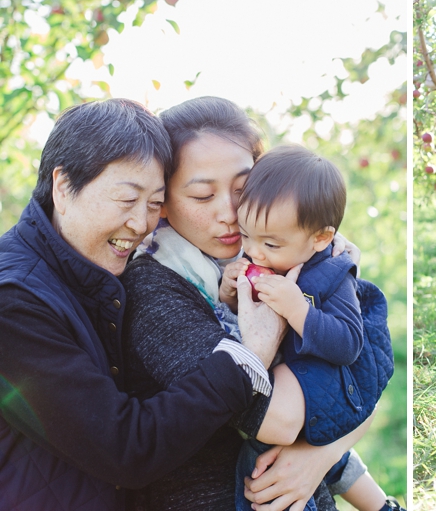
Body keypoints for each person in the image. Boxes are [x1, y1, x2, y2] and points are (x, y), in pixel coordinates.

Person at [0, 99, 286, 510]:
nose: (140, 224)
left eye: (153, 204)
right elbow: (124, 449)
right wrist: (250, 357)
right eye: (126, 199)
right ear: (63, 187)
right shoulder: (14, 301)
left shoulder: (97, 271)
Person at [119, 97, 391, 511]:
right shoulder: (156, 288)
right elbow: (282, 418)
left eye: (243, 190)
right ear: (164, 202)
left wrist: (317, 457)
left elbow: (368, 379)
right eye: (202, 196)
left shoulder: (288, 256)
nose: (231, 213)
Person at [219, 144, 396, 511]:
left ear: (320, 237)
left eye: (270, 243)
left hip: (324, 394)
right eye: (247, 236)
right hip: (298, 403)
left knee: (263, 476)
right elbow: (252, 323)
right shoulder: (273, 262)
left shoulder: (333, 276)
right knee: (331, 465)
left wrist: (298, 310)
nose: (255, 253)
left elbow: (349, 343)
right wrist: (232, 295)